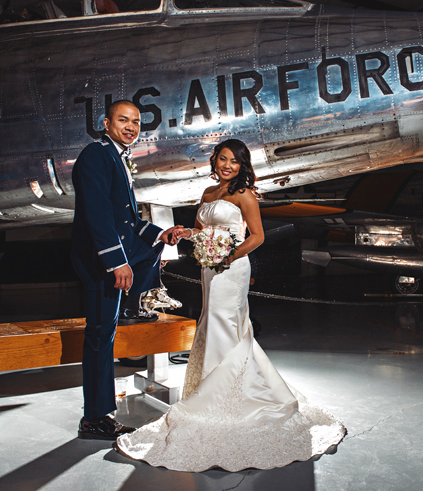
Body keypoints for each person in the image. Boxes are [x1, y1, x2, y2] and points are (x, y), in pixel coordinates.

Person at [116, 139, 346, 471]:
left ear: (242, 166)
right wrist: (186, 234)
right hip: (210, 267)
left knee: (225, 322)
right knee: (212, 321)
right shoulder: (208, 193)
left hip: (233, 267)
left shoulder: (244, 195)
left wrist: (228, 256)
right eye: (222, 159)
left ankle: (226, 397)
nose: (227, 165)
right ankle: (218, 389)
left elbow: (257, 236)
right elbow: (202, 231)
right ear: (215, 161)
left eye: (234, 161)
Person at [71, 99, 183, 441]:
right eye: (123, 120)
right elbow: (99, 216)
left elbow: (129, 222)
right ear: (106, 124)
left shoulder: (117, 156)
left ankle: (135, 303)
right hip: (100, 263)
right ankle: (95, 418)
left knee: (105, 335)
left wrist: (161, 235)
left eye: (135, 122)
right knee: (100, 338)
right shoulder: (95, 155)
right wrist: (117, 262)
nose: (131, 127)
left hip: (112, 256)